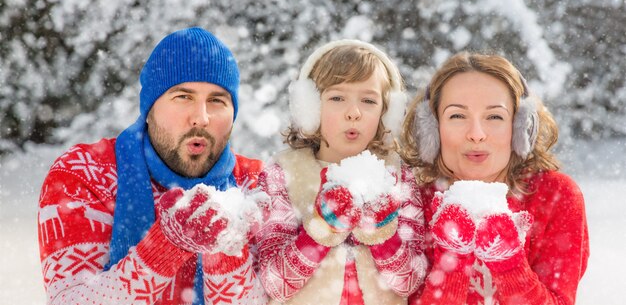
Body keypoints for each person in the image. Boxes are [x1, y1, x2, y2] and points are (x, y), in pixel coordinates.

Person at [38, 27, 268, 305]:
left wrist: (225, 253)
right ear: (150, 110)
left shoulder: (256, 184)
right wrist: (166, 245)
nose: (201, 117)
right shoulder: (85, 174)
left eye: (217, 100)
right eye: (183, 97)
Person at [401, 52, 589, 305]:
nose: (476, 134)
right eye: (457, 116)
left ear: (521, 127)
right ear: (431, 129)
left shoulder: (556, 195)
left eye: (494, 117)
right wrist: (452, 264)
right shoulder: (411, 199)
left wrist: (508, 263)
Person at [256, 39, 428, 305]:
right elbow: (274, 283)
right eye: (337, 98)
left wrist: (382, 235)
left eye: (369, 100)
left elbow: (409, 281)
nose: (354, 113)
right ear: (310, 106)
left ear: (387, 113)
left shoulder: (398, 177)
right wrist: (321, 230)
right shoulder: (284, 174)